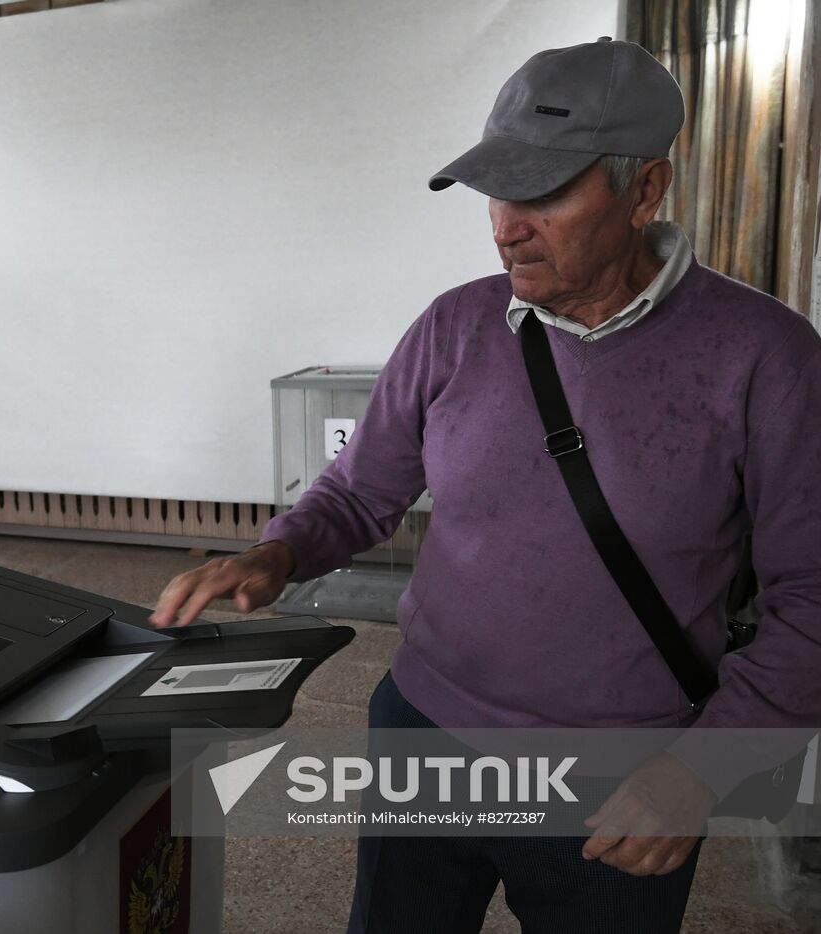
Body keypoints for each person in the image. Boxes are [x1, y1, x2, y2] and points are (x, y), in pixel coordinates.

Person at [151, 38, 821, 933]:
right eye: (498, 193)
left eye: (544, 194)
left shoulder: (767, 358)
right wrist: (280, 552)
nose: (506, 227)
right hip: (423, 727)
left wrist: (704, 770)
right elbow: (360, 491)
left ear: (646, 190)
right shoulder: (455, 325)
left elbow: (813, 598)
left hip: (619, 771)